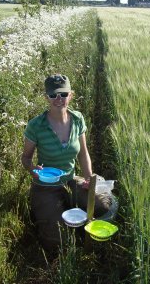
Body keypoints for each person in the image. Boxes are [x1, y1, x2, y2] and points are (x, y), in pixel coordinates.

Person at [21, 73, 111, 252]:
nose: (58, 99)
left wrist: (87, 178)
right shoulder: (36, 125)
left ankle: (70, 209)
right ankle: (54, 213)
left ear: (71, 95)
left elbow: (83, 153)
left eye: (63, 94)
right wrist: (33, 170)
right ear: (46, 97)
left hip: (70, 180)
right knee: (56, 241)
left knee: (102, 205)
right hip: (45, 185)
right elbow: (25, 158)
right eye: (53, 95)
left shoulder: (77, 119)